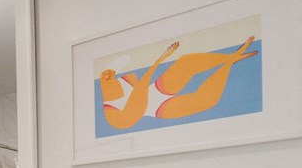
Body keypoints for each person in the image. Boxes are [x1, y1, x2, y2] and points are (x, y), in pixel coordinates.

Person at [99, 36, 258, 130]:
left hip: (154, 91)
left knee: (186, 63)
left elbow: (140, 88)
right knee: (205, 100)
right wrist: (160, 59)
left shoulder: (111, 83)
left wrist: (162, 58)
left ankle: (232, 57)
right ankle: (231, 61)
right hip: (159, 108)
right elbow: (139, 98)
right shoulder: (117, 119)